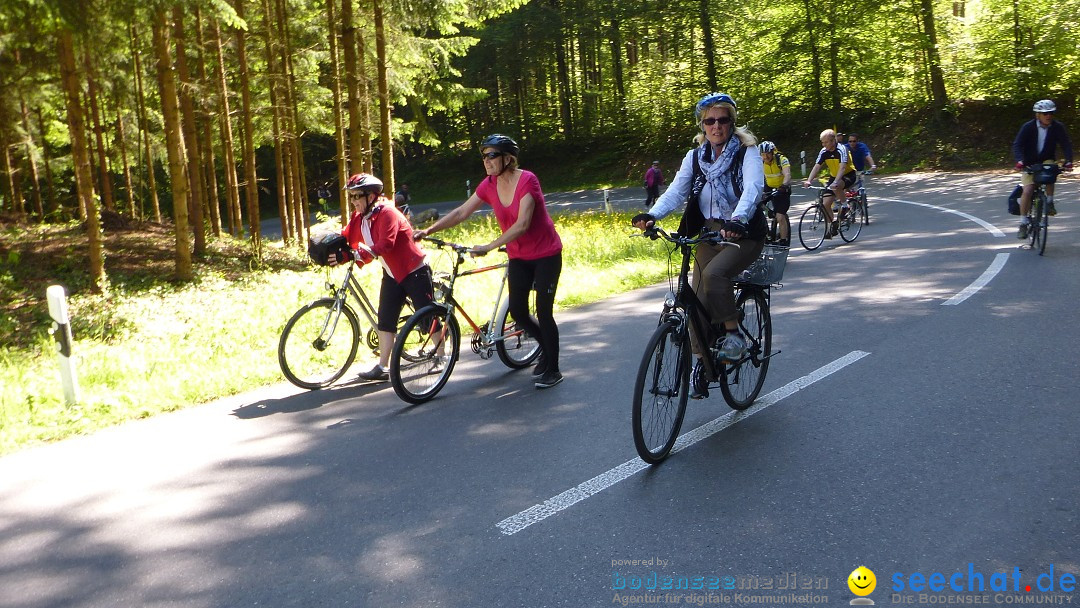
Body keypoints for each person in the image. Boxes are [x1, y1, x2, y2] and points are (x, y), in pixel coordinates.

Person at [631, 92, 766, 400]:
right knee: (697, 299)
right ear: (702, 125)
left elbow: (754, 187)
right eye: (710, 121)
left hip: (742, 234)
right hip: (707, 233)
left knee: (716, 277)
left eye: (722, 120)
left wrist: (739, 219)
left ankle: (733, 335)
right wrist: (652, 215)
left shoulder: (747, 152)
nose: (716, 126)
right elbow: (676, 191)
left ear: (732, 122)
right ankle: (703, 365)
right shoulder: (696, 157)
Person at [413, 134, 566, 390]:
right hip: (519, 256)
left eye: (492, 155)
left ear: (508, 158)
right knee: (517, 311)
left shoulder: (528, 180)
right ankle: (545, 350)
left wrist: (489, 246)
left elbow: (523, 224)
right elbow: (462, 211)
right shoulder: (489, 184)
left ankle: (554, 368)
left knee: (544, 312)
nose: (486, 161)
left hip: (546, 254)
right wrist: (429, 231)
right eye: (483, 156)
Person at [332, 172, 439, 382]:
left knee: (427, 316)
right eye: (351, 197)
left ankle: (442, 355)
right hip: (391, 273)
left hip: (413, 269)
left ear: (370, 196)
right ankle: (382, 366)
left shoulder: (387, 212)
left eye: (356, 196)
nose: (353, 201)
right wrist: (331, 246)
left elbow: (385, 244)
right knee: (386, 319)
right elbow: (346, 236)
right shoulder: (360, 217)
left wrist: (357, 254)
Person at [1012, 99, 1074, 238]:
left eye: (1051, 113)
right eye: (1045, 113)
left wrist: (1069, 161)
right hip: (1029, 161)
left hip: (1046, 159)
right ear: (1038, 115)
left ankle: (1050, 202)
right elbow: (1017, 145)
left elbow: (1066, 144)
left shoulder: (1057, 127)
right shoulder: (1028, 127)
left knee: (1051, 170)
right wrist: (1020, 161)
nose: (1048, 116)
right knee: (1027, 190)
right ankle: (1023, 223)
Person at [804, 129, 857, 239]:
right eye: (822, 142)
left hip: (848, 174)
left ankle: (844, 205)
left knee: (837, 186)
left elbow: (842, 168)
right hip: (834, 176)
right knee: (825, 204)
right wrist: (809, 180)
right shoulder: (824, 151)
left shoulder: (842, 149)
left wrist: (836, 182)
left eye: (826, 142)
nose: (824, 145)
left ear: (833, 140)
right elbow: (817, 166)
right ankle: (831, 226)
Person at [759, 141, 792, 246]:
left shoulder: (781, 159)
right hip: (768, 186)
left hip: (782, 188)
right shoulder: (760, 161)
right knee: (756, 205)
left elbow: (787, 174)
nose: (765, 156)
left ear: (773, 152)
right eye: (763, 154)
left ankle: (783, 240)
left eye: (768, 153)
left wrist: (784, 185)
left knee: (780, 216)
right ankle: (764, 233)